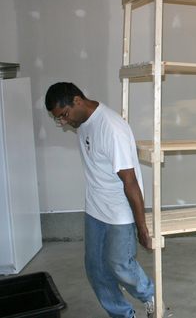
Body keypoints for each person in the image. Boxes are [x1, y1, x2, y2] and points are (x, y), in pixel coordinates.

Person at [45, 82, 156, 318]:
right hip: (95, 209)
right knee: (96, 269)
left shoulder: (111, 128)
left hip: (119, 212)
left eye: (63, 115)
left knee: (120, 265)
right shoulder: (83, 123)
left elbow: (131, 182)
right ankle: (123, 315)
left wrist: (142, 227)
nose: (64, 122)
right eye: (59, 119)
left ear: (77, 100)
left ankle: (152, 298)